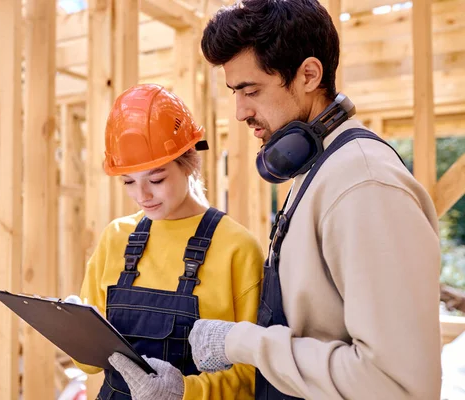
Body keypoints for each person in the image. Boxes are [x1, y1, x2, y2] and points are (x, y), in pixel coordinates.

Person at [184, 1, 443, 399]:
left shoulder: (363, 185)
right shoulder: (322, 170)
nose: (239, 112)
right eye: (235, 93)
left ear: (309, 74)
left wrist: (243, 343)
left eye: (251, 90)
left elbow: (398, 387)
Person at [72, 83, 265, 400]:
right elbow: (89, 365)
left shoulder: (236, 247)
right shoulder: (115, 238)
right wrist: (75, 331)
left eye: (156, 179)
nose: (142, 196)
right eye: (129, 182)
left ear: (188, 162)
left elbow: (252, 377)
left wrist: (182, 392)